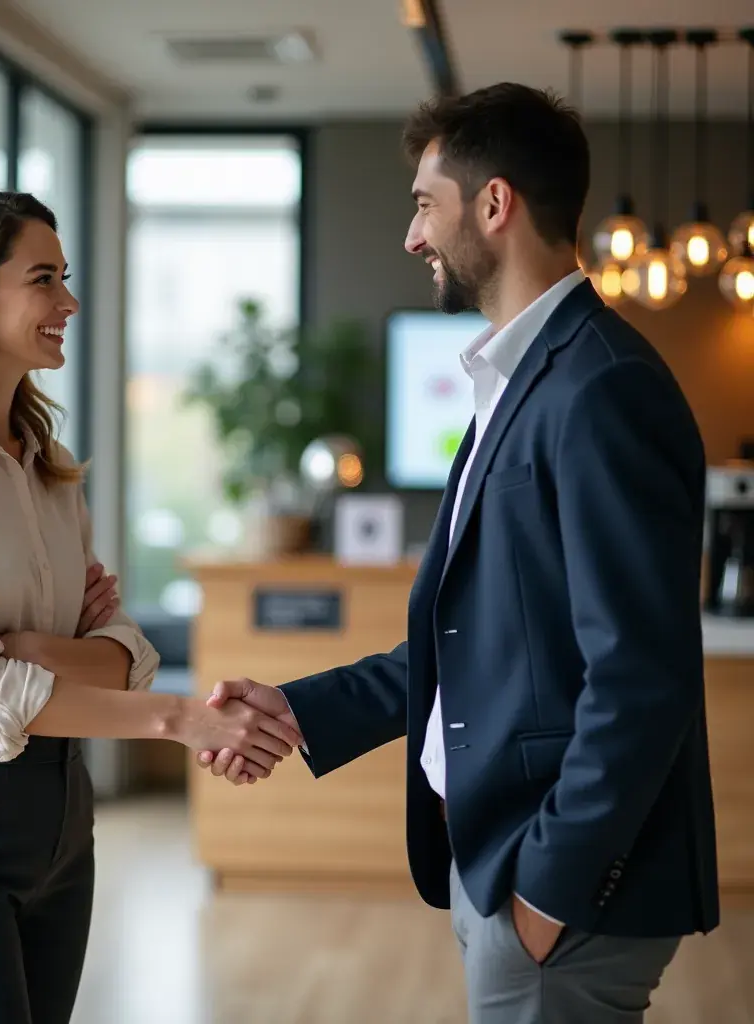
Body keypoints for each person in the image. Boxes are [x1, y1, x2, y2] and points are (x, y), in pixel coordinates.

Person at [196, 83, 719, 1022]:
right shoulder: (519, 378)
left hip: (561, 891)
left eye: (423, 205)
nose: (411, 236)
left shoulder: (601, 389)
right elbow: (479, 640)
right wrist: (298, 708)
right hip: (503, 867)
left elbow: (644, 679)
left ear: (494, 204)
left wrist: (547, 894)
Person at [0, 190, 302, 1024]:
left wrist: (32, 653)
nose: (69, 303)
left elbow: (125, 647)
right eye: (43, 280)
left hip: (62, 817)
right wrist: (175, 718)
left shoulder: (45, 461)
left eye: (66, 278)